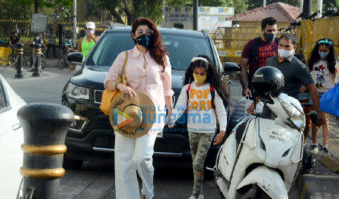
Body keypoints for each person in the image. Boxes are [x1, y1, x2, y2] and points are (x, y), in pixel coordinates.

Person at [104, 17, 173, 199]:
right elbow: (108, 81)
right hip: (126, 112)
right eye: (140, 32)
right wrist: (120, 86)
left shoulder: (162, 58)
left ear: (153, 34)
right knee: (124, 162)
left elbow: (167, 89)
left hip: (152, 114)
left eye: (147, 32)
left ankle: (148, 192)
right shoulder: (124, 57)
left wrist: (170, 112)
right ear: (133, 35)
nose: (144, 35)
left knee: (141, 158)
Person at [167, 55, 228, 199]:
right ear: (192, 72)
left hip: (207, 132)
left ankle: (195, 195)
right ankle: (200, 193)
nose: (199, 76)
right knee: (196, 164)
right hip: (192, 130)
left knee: (198, 162)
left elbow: (221, 111)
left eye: (202, 74)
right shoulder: (187, 89)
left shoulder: (212, 90)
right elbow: (180, 108)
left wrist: (222, 130)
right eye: (196, 73)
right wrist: (172, 119)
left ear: (208, 74)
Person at [265, 33, 324, 126]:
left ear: (294, 47)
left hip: (288, 111)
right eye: (281, 45)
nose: (283, 48)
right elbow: (265, 84)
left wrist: (318, 111)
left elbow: (313, 89)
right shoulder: (269, 61)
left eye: (287, 46)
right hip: (269, 108)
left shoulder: (299, 66)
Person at [305, 38, 337, 154]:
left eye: (325, 50)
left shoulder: (332, 63)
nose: (323, 52)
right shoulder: (312, 62)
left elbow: (334, 78)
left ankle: (325, 145)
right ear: (317, 49)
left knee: (324, 120)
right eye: (321, 50)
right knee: (315, 118)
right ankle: (314, 143)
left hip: (326, 94)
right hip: (314, 93)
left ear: (330, 50)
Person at [240, 17, 278, 97]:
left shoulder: (279, 44)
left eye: (274, 30)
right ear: (262, 30)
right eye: (269, 30)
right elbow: (242, 67)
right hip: (255, 88)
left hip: (274, 88)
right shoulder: (252, 44)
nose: (272, 33)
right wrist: (245, 88)